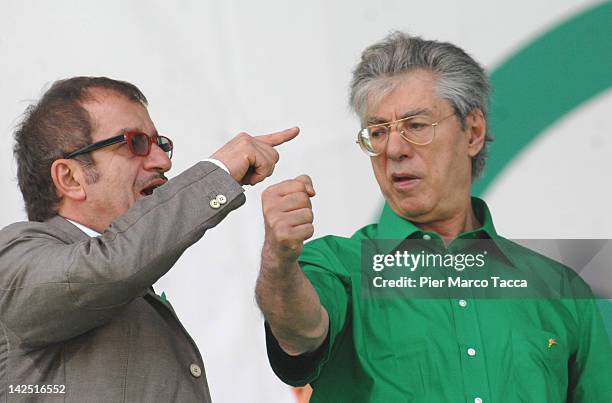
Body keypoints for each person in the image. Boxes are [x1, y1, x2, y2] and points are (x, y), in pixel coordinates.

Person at [256, 32, 612, 402]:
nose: (394, 148)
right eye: (377, 132)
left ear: (473, 131)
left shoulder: (559, 289)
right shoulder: (337, 266)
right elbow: (300, 333)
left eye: (416, 126)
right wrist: (278, 260)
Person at [0, 76, 298, 402]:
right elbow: (108, 267)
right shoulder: (14, 257)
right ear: (70, 178)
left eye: (161, 144)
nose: (163, 161)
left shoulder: (131, 274)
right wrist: (218, 172)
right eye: (135, 143)